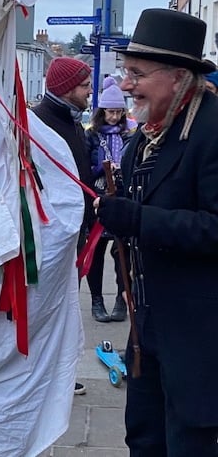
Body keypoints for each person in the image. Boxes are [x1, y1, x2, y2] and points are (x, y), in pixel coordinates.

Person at [94, 8, 218, 456]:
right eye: (126, 72)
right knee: (144, 440)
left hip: (200, 339)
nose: (125, 84)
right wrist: (107, 205)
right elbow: (133, 198)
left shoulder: (211, 130)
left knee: (188, 445)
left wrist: (137, 219)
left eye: (136, 74)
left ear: (178, 76)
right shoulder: (145, 137)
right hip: (147, 330)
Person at [33, 56, 93, 395]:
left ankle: (60, 375)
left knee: (68, 310)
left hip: (76, 232)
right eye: (84, 86)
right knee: (50, 312)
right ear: (67, 88)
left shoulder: (71, 119)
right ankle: (46, 380)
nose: (89, 91)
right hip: (52, 237)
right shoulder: (41, 121)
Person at [85, 76, 136, 322]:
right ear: (102, 112)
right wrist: (100, 168)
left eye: (118, 112)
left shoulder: (129, 135)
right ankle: (97, 299)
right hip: (98, 195)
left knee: (122, 252)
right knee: (95, 251)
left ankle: (121, 297)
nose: (114, 117)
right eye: (110, 112)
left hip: (122, 195)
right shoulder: (92, 135)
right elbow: (85, 165)